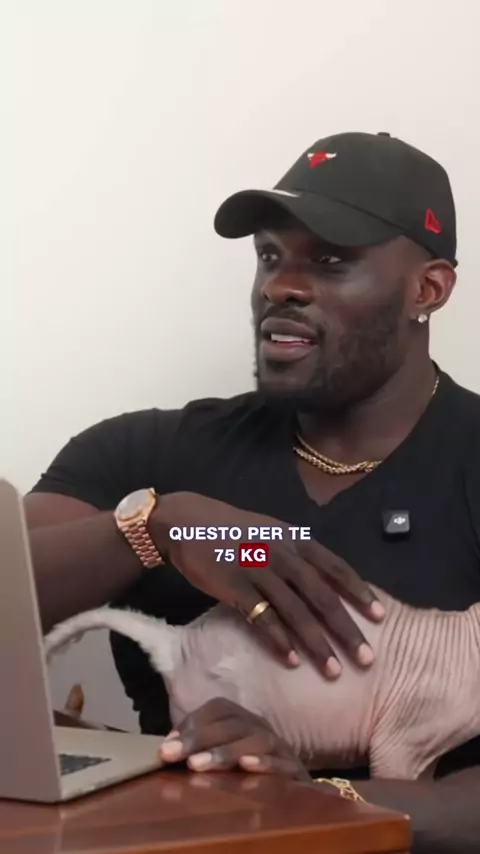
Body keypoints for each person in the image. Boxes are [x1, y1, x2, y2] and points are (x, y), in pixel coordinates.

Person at [26, 131, 480, 851]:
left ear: (427, 289)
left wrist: (306, 796)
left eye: (329, 261)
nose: (279, 287)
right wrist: (161, 528)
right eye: (270, 257)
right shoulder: (148, 453)